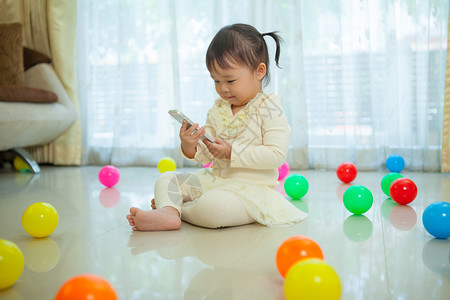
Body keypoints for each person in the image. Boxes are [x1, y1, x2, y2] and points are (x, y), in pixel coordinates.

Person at [127, 23, 307, 231]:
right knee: (167, 179)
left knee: (215, 208)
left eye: (230, 80)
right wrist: (190, 145)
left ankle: (177, 209)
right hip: (215, 181)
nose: (223, 88)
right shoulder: (218, 110)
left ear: (259, 71)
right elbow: (206, 155)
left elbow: (276, 154)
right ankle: (169, 213)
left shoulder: (270, 108)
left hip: (250, 192)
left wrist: (232, 151)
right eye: (216, 80)